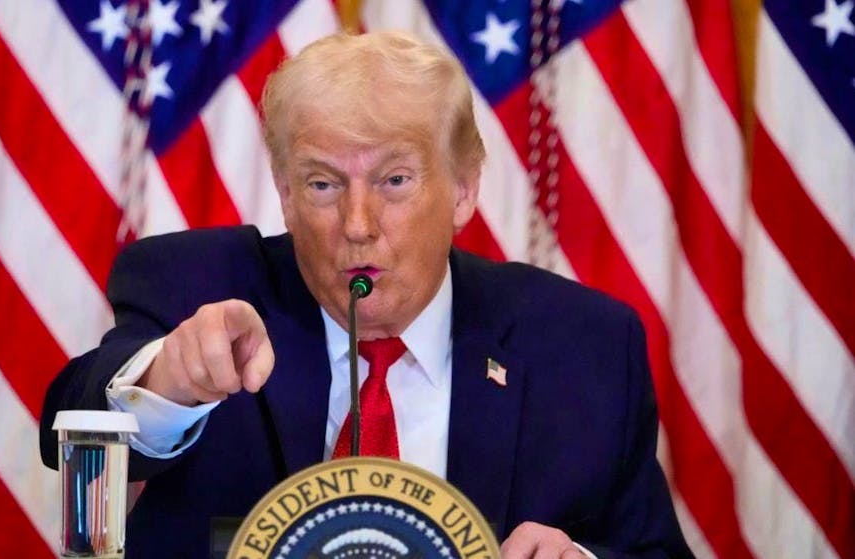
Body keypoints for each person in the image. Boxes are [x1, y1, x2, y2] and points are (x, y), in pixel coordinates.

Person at [40, 31, 692, 558]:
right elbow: (66, 430)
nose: (357, 223)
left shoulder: (583, 346)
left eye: (395, 180)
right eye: (322, 185)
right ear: (287, 193)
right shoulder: (199, 285)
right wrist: (167, 379)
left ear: (463, 189)